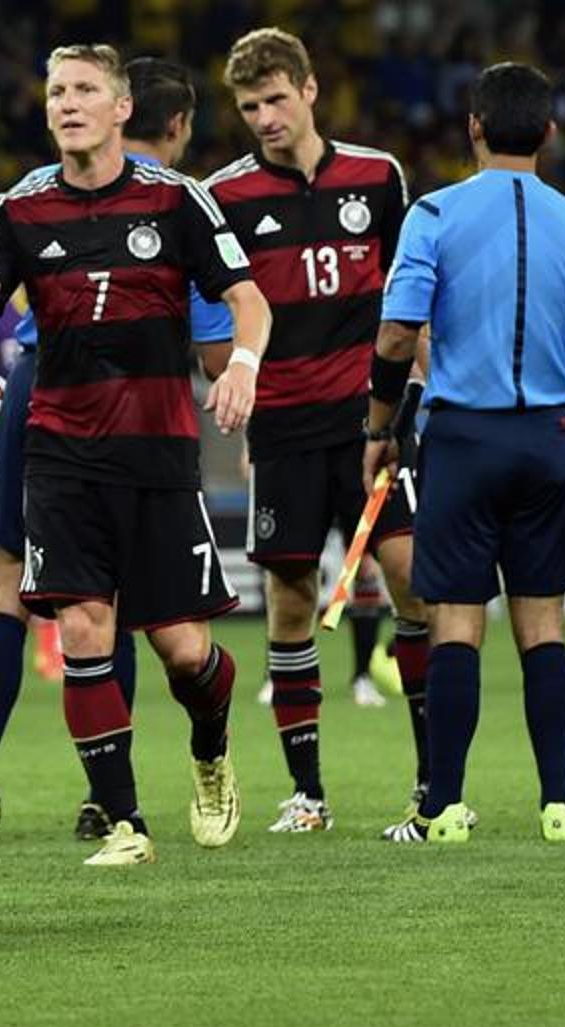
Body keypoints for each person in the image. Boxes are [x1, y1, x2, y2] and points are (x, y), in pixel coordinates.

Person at [0, 44, 269, 868]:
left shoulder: (178, 202)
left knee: (183, 650)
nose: (68, 103)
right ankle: (124, 823)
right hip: (60, 450)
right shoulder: (17, 210)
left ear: (119, 110)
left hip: (158, 452)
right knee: (82, 628)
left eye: (84, 91)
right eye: (56, 92)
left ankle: (211, 746)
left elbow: (247, 303)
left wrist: (244, 368)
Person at [372, 62, 565, 844]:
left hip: (461, 437)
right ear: (550, 133)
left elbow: (394, 335)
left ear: (474, 127)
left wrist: (377, 431)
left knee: (455, 621)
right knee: (543, 626)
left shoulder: (433, 215)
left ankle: (443, 810)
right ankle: (560, 807)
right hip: (550, 440)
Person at [193, 27, 430, 833]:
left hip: (371, 423)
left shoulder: (378, 177)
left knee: (414, 584)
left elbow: (411, 298)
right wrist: (233, 373)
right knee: (289, 604)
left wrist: (414, 390)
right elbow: (214, 317)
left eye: (276, 99)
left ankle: (434, 784)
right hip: (285, 427)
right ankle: (308, 796)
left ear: (309, 89)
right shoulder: (223, 197)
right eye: (250, 105)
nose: (264, 117)